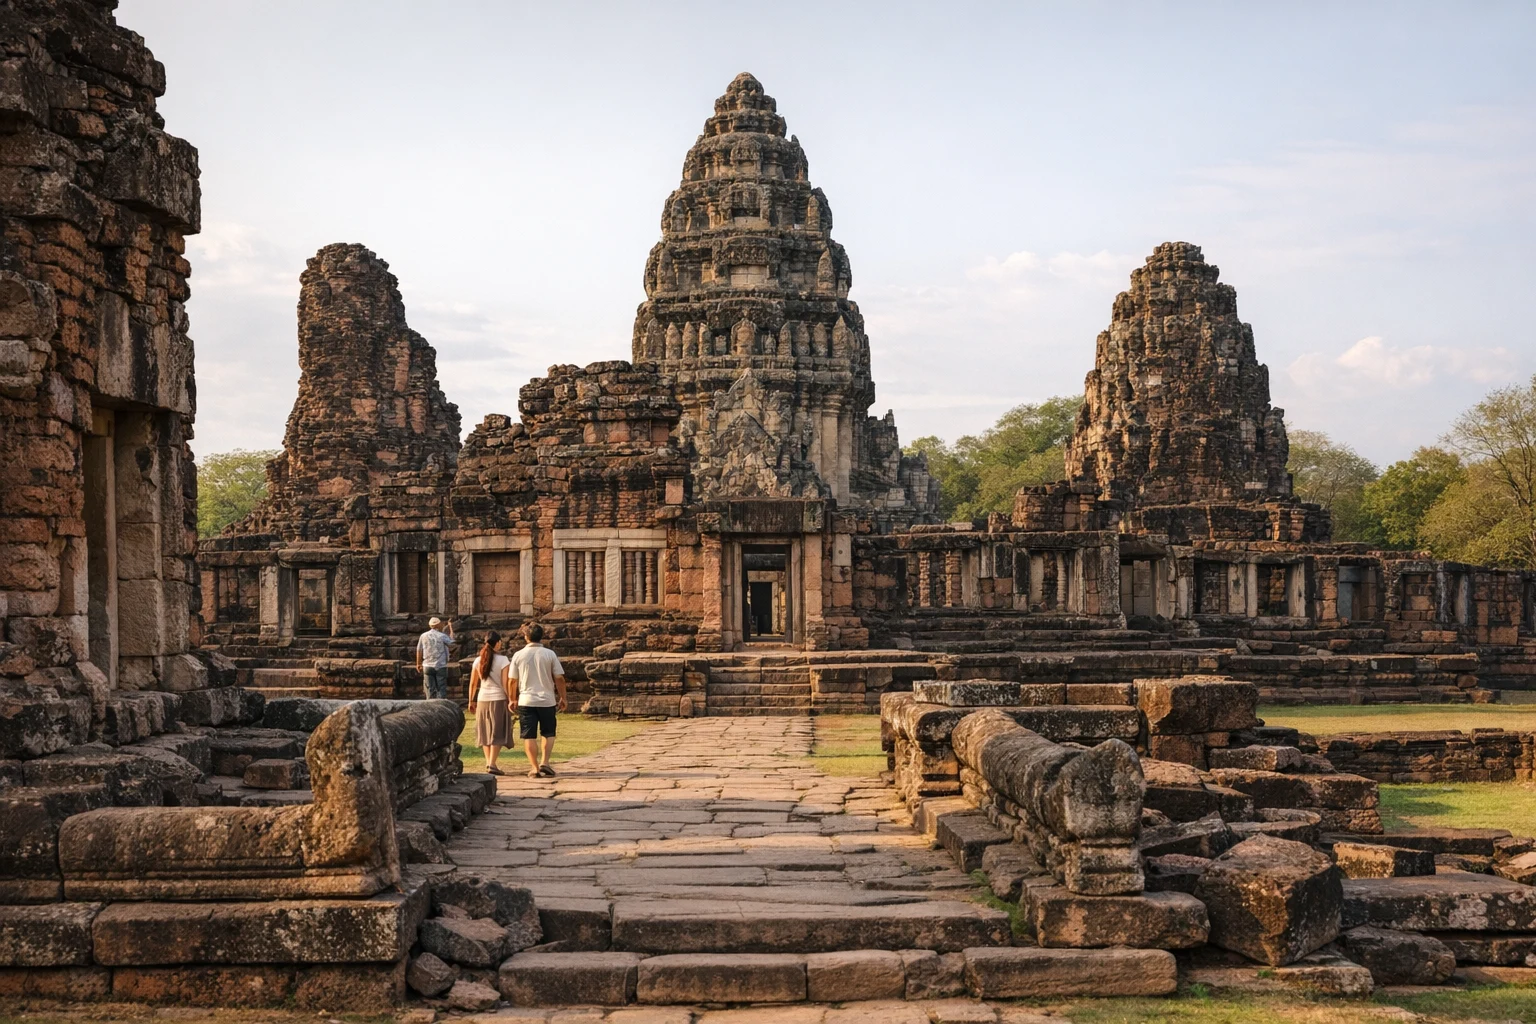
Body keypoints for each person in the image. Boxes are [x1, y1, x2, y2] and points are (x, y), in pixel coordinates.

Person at [510, 621, 566, 778]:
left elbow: (512, 680)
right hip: (547, 699)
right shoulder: (549, 654)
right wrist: (563, 697)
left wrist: (512, 698)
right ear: (541, 637)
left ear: (526, 637)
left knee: (528, 735)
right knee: (548, 732)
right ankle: (545, 762)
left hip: (526, 700)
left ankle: (534, 767)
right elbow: (559, 678)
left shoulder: (518, 655)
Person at [467, 630, 511, 776]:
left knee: (486, 732)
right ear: (497, 643)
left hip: (482, 699)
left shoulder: (478, 660)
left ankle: (489, 762)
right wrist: (511, 699)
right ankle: (491, 763)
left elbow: (473, 684)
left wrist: (471, 700)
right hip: (498, 698)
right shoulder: (503, 660)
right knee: (497, 732)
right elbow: (506, 683)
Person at [415, 616, 456, 700]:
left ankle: (430, 709)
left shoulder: (423, 636)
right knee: (441, 690)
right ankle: (441, 708)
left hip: (427, 665)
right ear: (438, 625)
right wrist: (450, 627)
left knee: (429, 690)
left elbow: (419, 650)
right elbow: (452, 643)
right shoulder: (442, 636)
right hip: (440, 665)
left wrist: (418, 664)